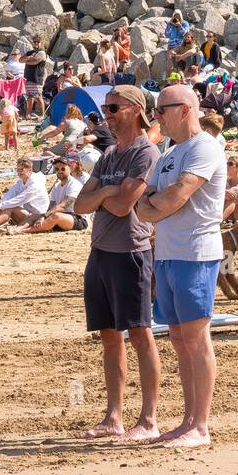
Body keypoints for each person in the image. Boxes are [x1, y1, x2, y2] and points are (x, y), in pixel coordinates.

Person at [134, 86, 226, 448]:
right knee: (177, 337)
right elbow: (142, 206)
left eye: (162, 110)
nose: (156, 117)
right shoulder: (170, 153)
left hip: (196, 252)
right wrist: (158, 203)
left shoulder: (204, 147)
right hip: (169, 253)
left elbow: (175, 197)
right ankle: (188, 419)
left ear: (185, 109)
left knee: (196, 337)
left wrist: (157, 203)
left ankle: (200, 425)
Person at [74, 86, 161, 442]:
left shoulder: (146, 153)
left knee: (140, 334)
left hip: (131, 251)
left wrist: (106, 196)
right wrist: (110, 193)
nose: (106, 113)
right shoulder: (110, 153)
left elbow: (125, 206)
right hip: (101, 250)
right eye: (105, 107)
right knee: (109, 337)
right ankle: (113, 416)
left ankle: (149, 418)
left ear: (135, 110)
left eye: (112, 107)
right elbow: (80, 204)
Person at [11, 155, 88, 234]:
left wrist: (44, 216)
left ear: (70, 169)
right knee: (35, 215)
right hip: (63, 216)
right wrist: (42, 216)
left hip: (78, 219)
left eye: (63, 168)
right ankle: (18, 228)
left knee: (55, 216)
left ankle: (23, 231)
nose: (59, 171)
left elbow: (63, 205)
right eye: (56, 169)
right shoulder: (57, 186)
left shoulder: (74, 184)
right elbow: (52, 205)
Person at [0, 157, 48, 234]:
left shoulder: (35, 184)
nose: (19, 172)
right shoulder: (21, 182)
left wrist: (1, 206)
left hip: (38, 218)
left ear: (30, 170)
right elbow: (9, 195)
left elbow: (21, 199)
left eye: (22, 170)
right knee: (5, 206)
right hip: (27, 215)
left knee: (9, 207)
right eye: (17, 170)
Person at [22, 40, 46, 118]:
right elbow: (20, 60)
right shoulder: (29, 53)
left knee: (38, 97)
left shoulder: (42, 52)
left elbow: (35, 61)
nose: (36, 43)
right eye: (34, 42)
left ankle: (42, 115)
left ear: (40, 43)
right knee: (29, 97)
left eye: (37, 42)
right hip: (28, 77)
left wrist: (26, 61)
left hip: (37, 78)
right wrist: (29, 58)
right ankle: (27, 115)